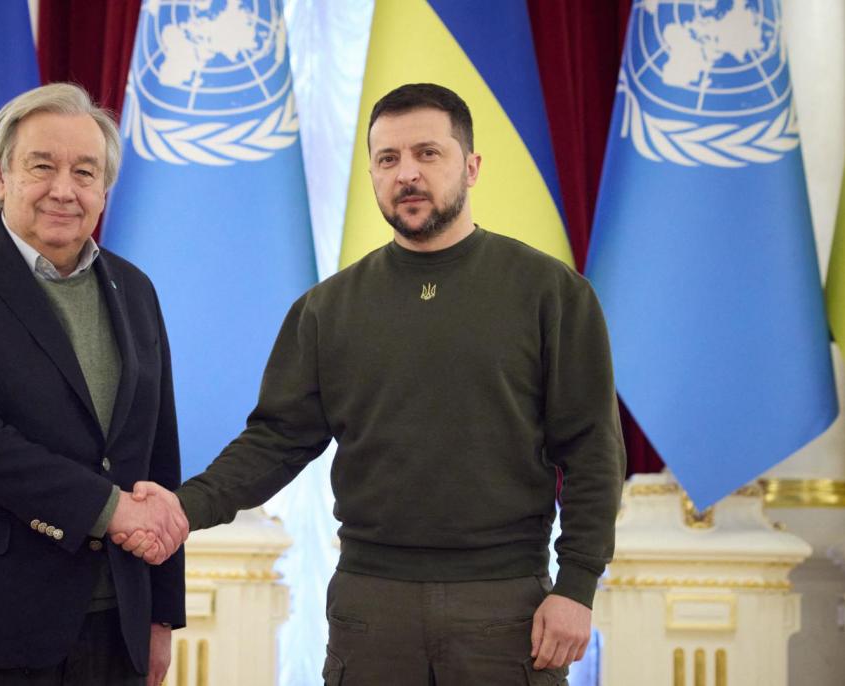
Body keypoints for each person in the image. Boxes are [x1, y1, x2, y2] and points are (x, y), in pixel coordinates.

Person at [114, 83, 626, 685]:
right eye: (388, 159)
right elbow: (274, 444)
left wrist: (577, 586)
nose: (407, 173)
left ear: (471, 166)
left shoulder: (552, 294)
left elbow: (592, 451)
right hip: (370, 607)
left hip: (507, 605)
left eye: (427, 153)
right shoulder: (327, 310)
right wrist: (181, 507)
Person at [0, 82, 189, 686]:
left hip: (114, 625)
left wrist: (159, 617)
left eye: (85, 172)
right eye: (42, 167)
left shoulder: (135, 289)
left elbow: (158, 456)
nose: (64, 189)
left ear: (104, 190)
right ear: (0, 177)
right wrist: (109, 510)